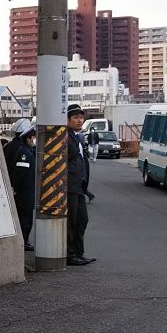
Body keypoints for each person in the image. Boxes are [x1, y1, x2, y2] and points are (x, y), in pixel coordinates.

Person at [65, 104, 97, 266]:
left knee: (82, 220)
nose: (79, 120)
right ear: (67, 120)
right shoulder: (65, 136)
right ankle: (70, 254)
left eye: (81, 117)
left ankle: (78, 252)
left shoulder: (77, 137)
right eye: (75, 117)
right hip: (69, 186)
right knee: (71, 221)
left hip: (78, 186)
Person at [4, 118, 37, 250]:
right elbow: (19, 173)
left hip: (16, 192)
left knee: (18, 217)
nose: (33, 140)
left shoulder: (11, 146)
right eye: (32, 137)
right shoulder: (24, 152)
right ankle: (23, 242)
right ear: (26, 137)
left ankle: (21, 241)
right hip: (24, 193)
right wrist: (14, 189)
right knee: (25, 219)